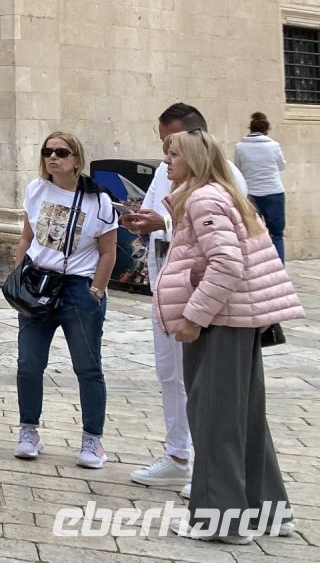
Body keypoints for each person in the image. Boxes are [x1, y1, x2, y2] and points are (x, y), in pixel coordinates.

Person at [153, 129, 302, 542]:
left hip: (220, 323)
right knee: (245, 420)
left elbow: (225, 264)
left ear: (194, 160)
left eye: (174, 154)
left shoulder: (203, 199)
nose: (167, 161)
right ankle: (270, 512)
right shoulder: (219, 194)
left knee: (215, 420)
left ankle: (223, 522)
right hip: (236, 321)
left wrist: (195, 317)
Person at [121, 102, 243, 494]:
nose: (164, 155)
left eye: (171, 146)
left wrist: (165, 222)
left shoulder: (227, 177)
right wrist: (145, 221)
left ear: (193, 138)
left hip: (203, 297)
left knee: (206, 381)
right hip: (167, 288)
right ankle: (178, 455)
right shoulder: (165, 171)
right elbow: (161, 213)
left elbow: (229, 236)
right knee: (171, 374)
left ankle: (211, 466)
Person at [12, 132, 117, 470]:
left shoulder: (99, 200)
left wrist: (95, 292)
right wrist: (17, 277)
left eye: (61, 152)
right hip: (38, 283)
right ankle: (29, 431)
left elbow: (109, 252)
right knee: (29, 363)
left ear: (77, 159)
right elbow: (26, 238)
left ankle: (92, 439)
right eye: (47, 151)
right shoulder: (36, 190)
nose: (53, 157)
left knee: (87, 367)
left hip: (78, 288)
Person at [233, 112, 286, 262]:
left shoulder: (240, 147)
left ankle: (257, 266)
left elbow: (238, 169)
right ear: (266, 130)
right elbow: (281, 166)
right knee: (276, 234)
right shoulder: (274, 146)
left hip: (251, 194)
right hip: (274, 193)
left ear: (250, 128)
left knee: (252, 233)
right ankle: (279, 268)